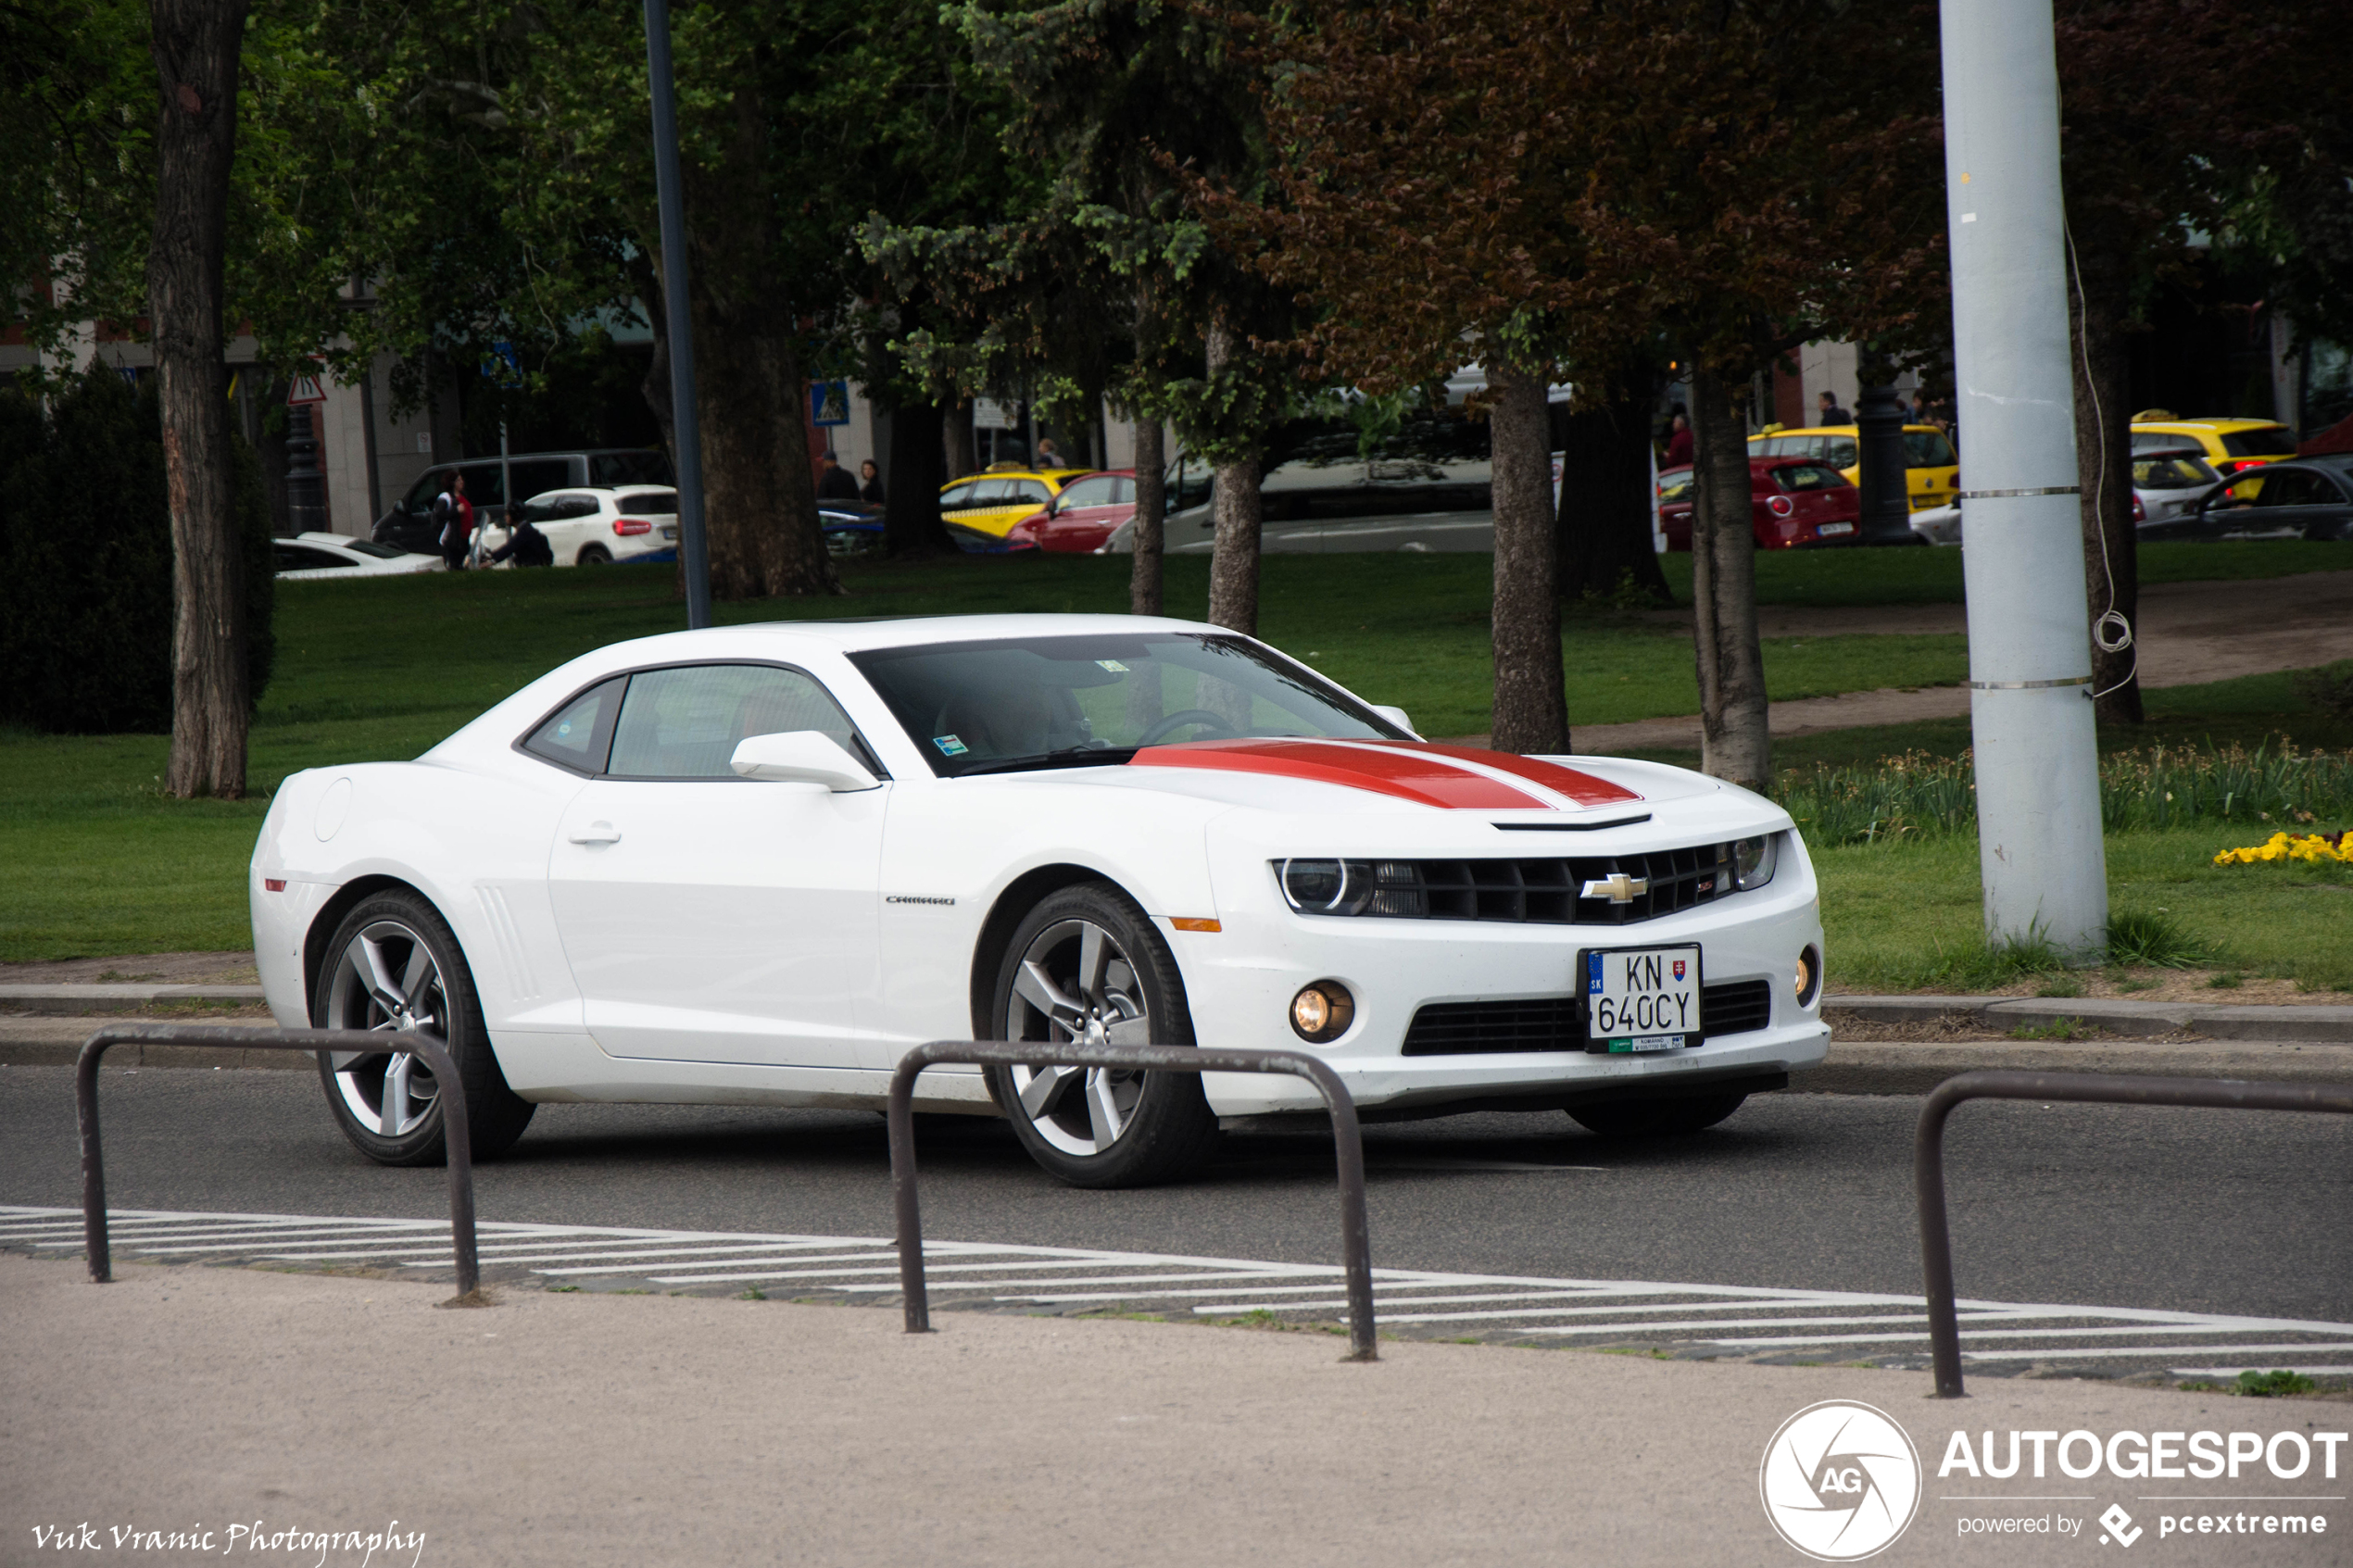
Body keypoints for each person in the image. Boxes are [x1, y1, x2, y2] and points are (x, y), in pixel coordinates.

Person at [434, 471, 475, 570]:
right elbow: (439, 515)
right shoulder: (446, 498)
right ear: (453, 483)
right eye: (458, 480)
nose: (462, 482)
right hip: (454, 539)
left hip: (465, 538)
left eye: (462, 480)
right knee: (455, 564)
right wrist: (456, 510)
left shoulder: (463, 495)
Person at [485, 514, 554, 568]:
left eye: (508, 514)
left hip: (531, 571)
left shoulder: (524, 532)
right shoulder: (525, 529)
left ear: (514, 515)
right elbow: (509, 546)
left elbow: (509, 548)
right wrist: (491, 555)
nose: (505, 517)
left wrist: (492, 561)